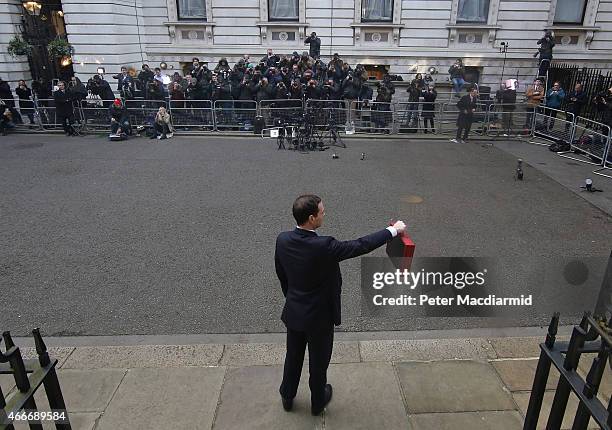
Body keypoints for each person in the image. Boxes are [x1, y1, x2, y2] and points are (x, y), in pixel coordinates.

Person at [275, 194, 406, 416]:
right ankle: (318, 401)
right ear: (311, 218)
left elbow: (282, 275)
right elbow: (360, 246)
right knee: (319, 361)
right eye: (322, 212)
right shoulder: (324, 246)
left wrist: (294, 299)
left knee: (293, 356)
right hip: (320, 317)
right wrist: (392, 231)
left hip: (295, 313)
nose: (324, 214)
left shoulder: (283, 239)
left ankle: (288, 396)